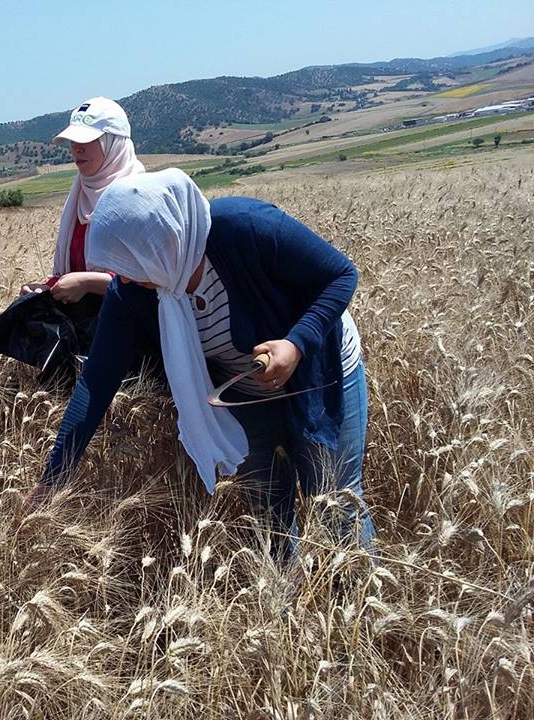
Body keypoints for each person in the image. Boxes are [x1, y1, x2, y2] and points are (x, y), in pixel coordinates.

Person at [26, 169, 374, 558]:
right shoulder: (136, 290)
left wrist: (296, 344)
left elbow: (340, 274)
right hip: (246, 390)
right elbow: (96, 382)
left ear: (164, 240)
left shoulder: (242, 227)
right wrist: (53, 477)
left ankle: (355, 598)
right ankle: (284, 603)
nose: (123, 276)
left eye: (133, 261)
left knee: (335, 499)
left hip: (319, 370)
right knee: (266, 506)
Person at [20, 96, 144, 304]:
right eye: (73, 140)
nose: (76, 148)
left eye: (87, 140)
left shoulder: (139, 196)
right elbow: (74, 273)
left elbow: (151, 280)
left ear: (113, 143)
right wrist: (47, 288)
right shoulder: (79, 196)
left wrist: (88, 284)